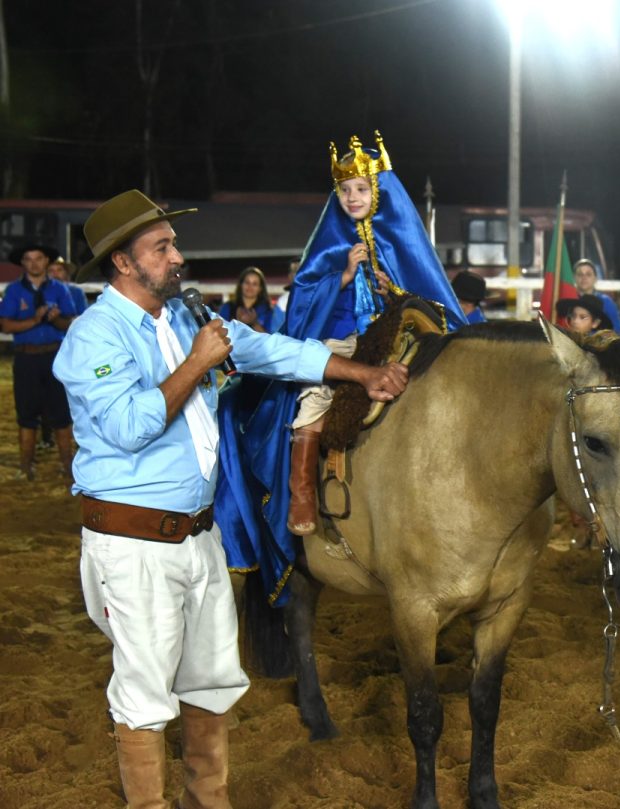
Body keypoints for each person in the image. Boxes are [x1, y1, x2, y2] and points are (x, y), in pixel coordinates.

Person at [52, 189, 408, 809]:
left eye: (173, 244)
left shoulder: (185, 318)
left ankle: (206, 802)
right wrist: (198, 362)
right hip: (132, 545)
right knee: (143, 693)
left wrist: (360, 374)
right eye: (161, 248)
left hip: (198, 535)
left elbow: (272, 350)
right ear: (122, 263)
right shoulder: (93, 337)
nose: (177, 256)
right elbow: (131, 426)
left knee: (211, 682)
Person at [279, 132, 466, 537]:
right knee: (315, 392)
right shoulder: (329, 243)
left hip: (385, 332)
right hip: (340, 336)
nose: (352, 197)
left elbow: (425, 289)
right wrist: (343, 275)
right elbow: (304, 298)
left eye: (361, 188)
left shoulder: (401, 237)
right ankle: (302, 492)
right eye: (344, 190)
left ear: (379, 189)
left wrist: (392, 290)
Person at [0, 243, 78, 481]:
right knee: (27, 415)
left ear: (47, 262)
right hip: (27, 358)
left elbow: (70, 323)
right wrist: (35, 320)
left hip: (54, 356)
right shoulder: (14, 291)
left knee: (61, 415)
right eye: (28, 259)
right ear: (22, 263)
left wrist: (56, 320)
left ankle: (67, 467)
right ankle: (26, 468)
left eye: (38, 258)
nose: (34, 263)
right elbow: (4, 325)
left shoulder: (61, 290)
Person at [217, 266, 272, 334]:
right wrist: (236, 323)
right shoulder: (228, 307)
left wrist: (254, 323)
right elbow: (218, 332)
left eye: (254, 284)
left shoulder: (267, 311)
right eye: (247, 282)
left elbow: (270, 339)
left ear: (260, 288)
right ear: (241, 285)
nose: (250, 287)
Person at [571, 259, 620, 329]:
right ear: (574, 278)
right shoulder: (570, 300)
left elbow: (616, 330)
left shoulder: (606, 302)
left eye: (588, 274)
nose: (584, 277)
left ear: (595, 278)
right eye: (580, 274)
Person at [269, 258, 300, 333]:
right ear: (289, 276)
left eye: (301, 269)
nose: (298, 273)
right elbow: (276, 333)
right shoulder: (283, 302)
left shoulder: (319, 296)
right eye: (294, 270)